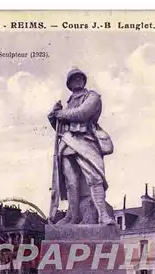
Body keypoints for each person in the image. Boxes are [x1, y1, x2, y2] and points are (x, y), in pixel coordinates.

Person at [48, 68, 115, 225]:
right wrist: (53, 115)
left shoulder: (92, 96)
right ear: (69, 84)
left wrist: (61, 114)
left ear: (84, 80)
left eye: (79, 78)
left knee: (95, 176)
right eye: (73, 78)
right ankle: (73, 216)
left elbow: (83, 113)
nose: (77, 80)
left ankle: (103, 215)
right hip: (67, 143)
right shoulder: (68, 102)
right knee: (71, 181)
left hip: (86, 141)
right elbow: (59, 128)